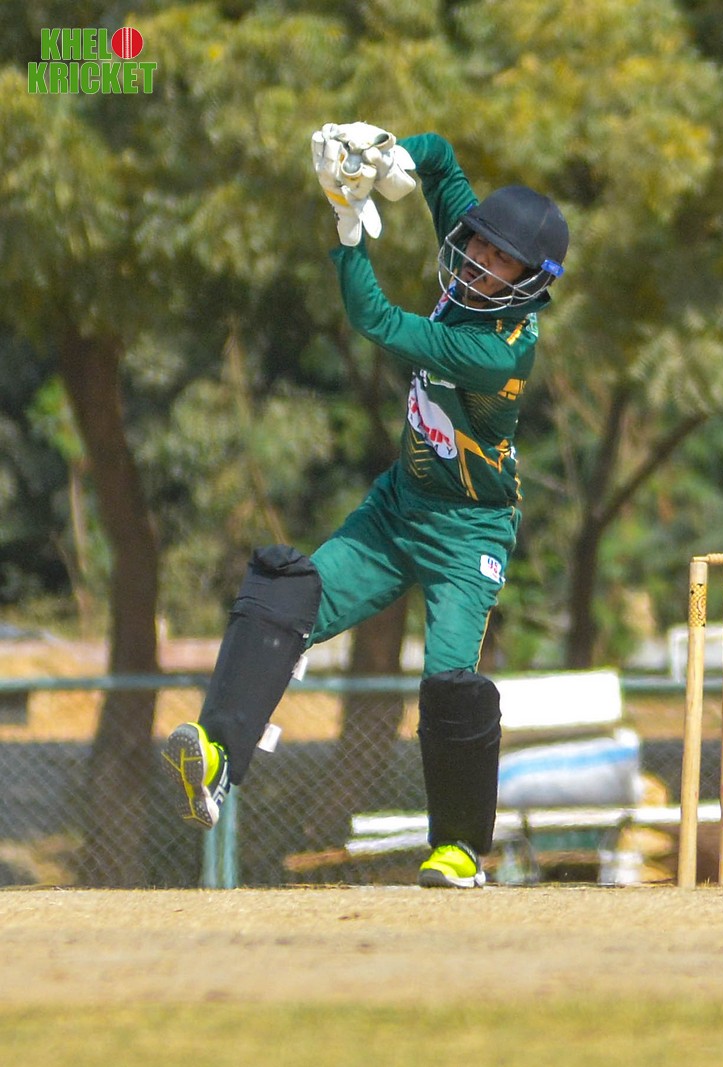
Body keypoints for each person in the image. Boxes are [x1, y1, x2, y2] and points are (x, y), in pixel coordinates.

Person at [160, 122, 568, 889]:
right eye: (477, 245)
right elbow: (442, 159)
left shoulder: (498, 352)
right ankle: (215, 753)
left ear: (530, 279)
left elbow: (375, 320)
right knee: (286, 591)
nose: (477, 260)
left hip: (468, 531)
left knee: (450, 683)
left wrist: (349, 228)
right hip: (397, 507)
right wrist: (389, 155)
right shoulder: (472, 264)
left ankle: (459, 848)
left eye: (498, 259)